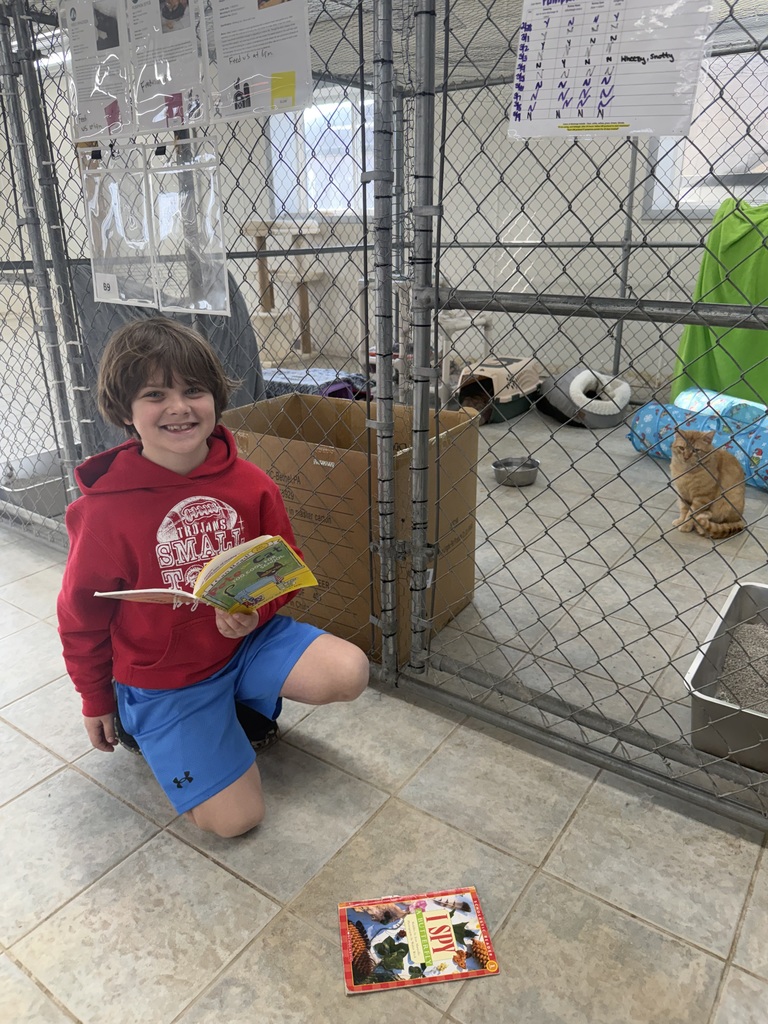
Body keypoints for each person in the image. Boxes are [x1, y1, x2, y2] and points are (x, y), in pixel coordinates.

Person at [57, 318, 369, 837]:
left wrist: (256, 613)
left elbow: (285, 569)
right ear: (125, 410)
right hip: (165, 677)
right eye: (155, 394)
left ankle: (234, 704)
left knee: (349, 671)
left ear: (216, 399)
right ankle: (148, 721)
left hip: (243, 646)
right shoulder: (102, 513)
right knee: (236, 822)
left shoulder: (252, 484)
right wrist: (95, 697)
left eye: (193, 390)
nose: (178, 407)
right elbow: (80, 617)